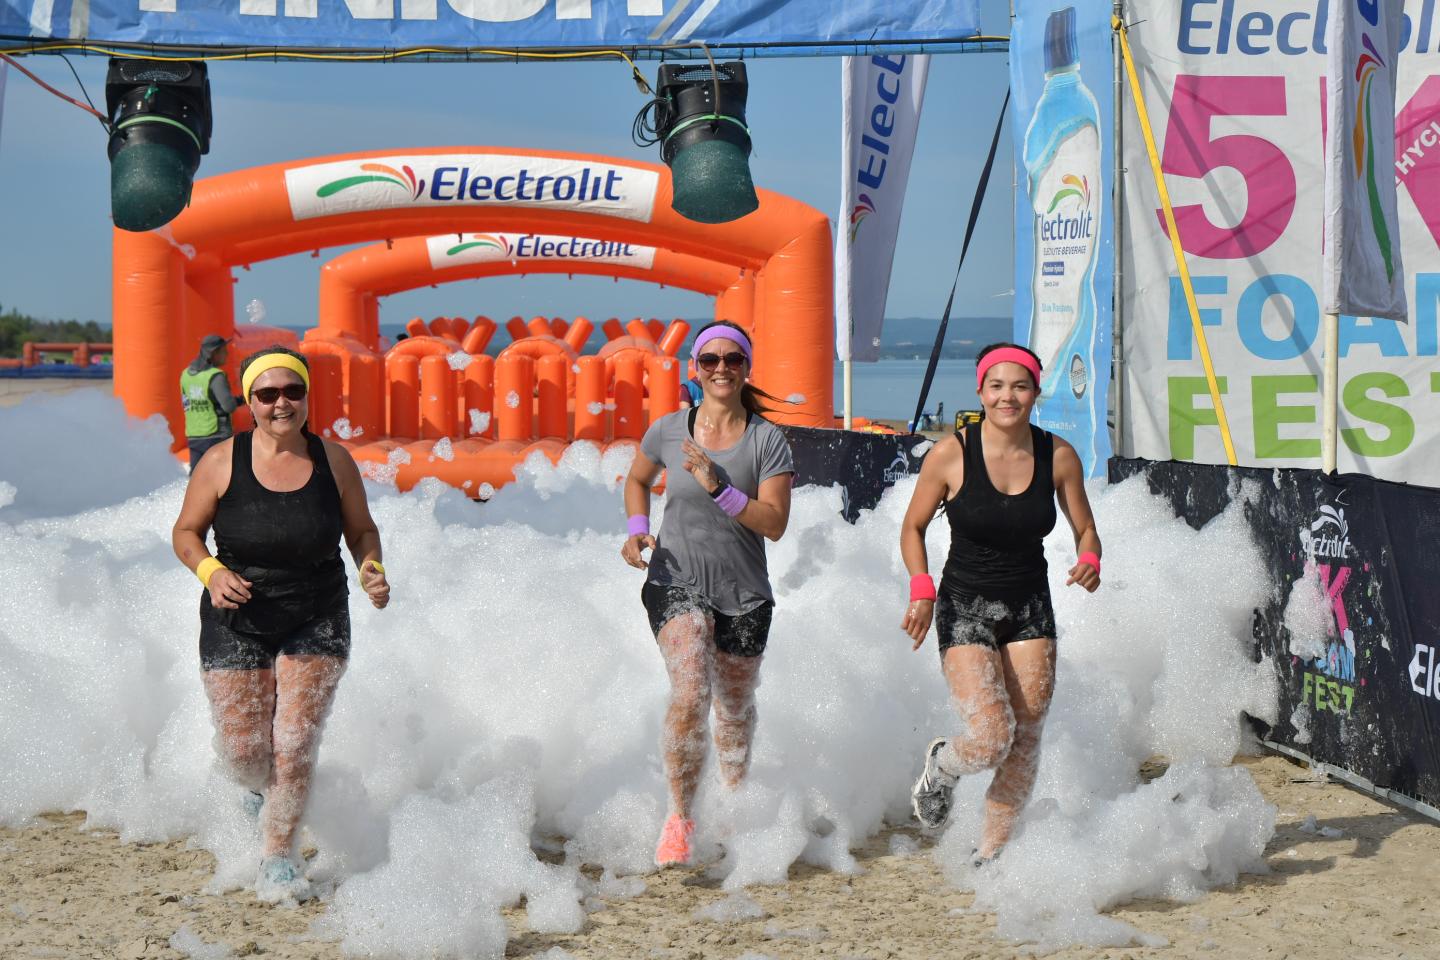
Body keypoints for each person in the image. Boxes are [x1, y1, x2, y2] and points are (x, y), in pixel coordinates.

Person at [171, 346, 392, 902]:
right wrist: (210, 572)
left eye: (292, 391)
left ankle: (278, 857)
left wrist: (372, 568)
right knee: (246, 752)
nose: (281, 403)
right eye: (267, 394)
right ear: (249, 402)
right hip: (236, 614)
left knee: (293, 743)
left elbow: (362, 531)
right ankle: (255, 787)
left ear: (307, 396)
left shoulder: (333, 460)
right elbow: (185, 533)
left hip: (317, 611)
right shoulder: (221, 461)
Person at [898, 342, 1100, 863]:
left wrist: (1090, 560)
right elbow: (913, 527)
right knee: (991, 736)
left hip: (1031, 605)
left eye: (1020, 386)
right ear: (981, 391)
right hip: (964, 604)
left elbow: (1086, 529)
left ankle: (991, 853)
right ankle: (942, 766)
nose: (1008, 396)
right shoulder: (950, 453)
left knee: (1026, 736)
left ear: (1035, 391)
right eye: (997, 386)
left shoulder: (1058, 455)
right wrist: (922, 588)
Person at [620, 320, 795, 868]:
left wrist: (719, 485)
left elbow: (774, 524)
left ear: (747, 368)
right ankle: (679, 819)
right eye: (709, 360)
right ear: (694, 368)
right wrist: (634, 528)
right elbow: (636, 480)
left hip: (744, 592)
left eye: (733, 359)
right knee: (692, 691)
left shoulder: (768, 440)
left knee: (735, 708)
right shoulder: (669, 430)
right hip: (674, 578)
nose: (721, 368)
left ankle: (734, 803)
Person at [181, 334, 239, 470]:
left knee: (196, 477)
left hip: (194, 435)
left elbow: (187, 402)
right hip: (217, 435)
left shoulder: (186, 374)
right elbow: (229, 406)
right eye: (224, 351)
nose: (227, 354)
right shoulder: (215, 376)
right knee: (223, 476)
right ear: (214, 353)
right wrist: (242, 400)